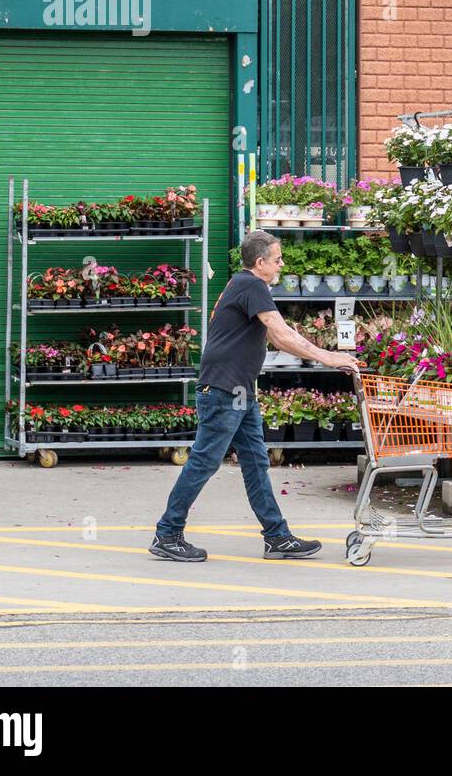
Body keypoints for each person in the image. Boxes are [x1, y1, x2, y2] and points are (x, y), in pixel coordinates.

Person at [150, 229, 360, 562]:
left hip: (238, 389)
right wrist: (328, 357)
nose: (282, 265)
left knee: (256, 463)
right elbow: (280, 332)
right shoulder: (252, 285)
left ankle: (276, 536)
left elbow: (276, 339)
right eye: (277, 260)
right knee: (204, 461)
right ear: (260, 262)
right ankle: (168, 533)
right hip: (224, 389)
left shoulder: (243, 285)